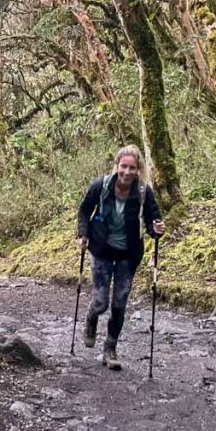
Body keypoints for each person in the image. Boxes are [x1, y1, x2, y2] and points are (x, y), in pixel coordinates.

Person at [76, 144, 165, 369]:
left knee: (119, 303)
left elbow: (153, 222)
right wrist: (82, 235)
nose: (127, 172)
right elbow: (84, 211)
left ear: (138, 170)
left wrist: (157, 230)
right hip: (101, 250)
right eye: (123, 166)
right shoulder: (101, 186)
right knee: (100, 302)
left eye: (132, 168)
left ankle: (110, 350)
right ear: (117, 166)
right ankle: (91, 318)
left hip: (128, 253)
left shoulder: (143, 192)